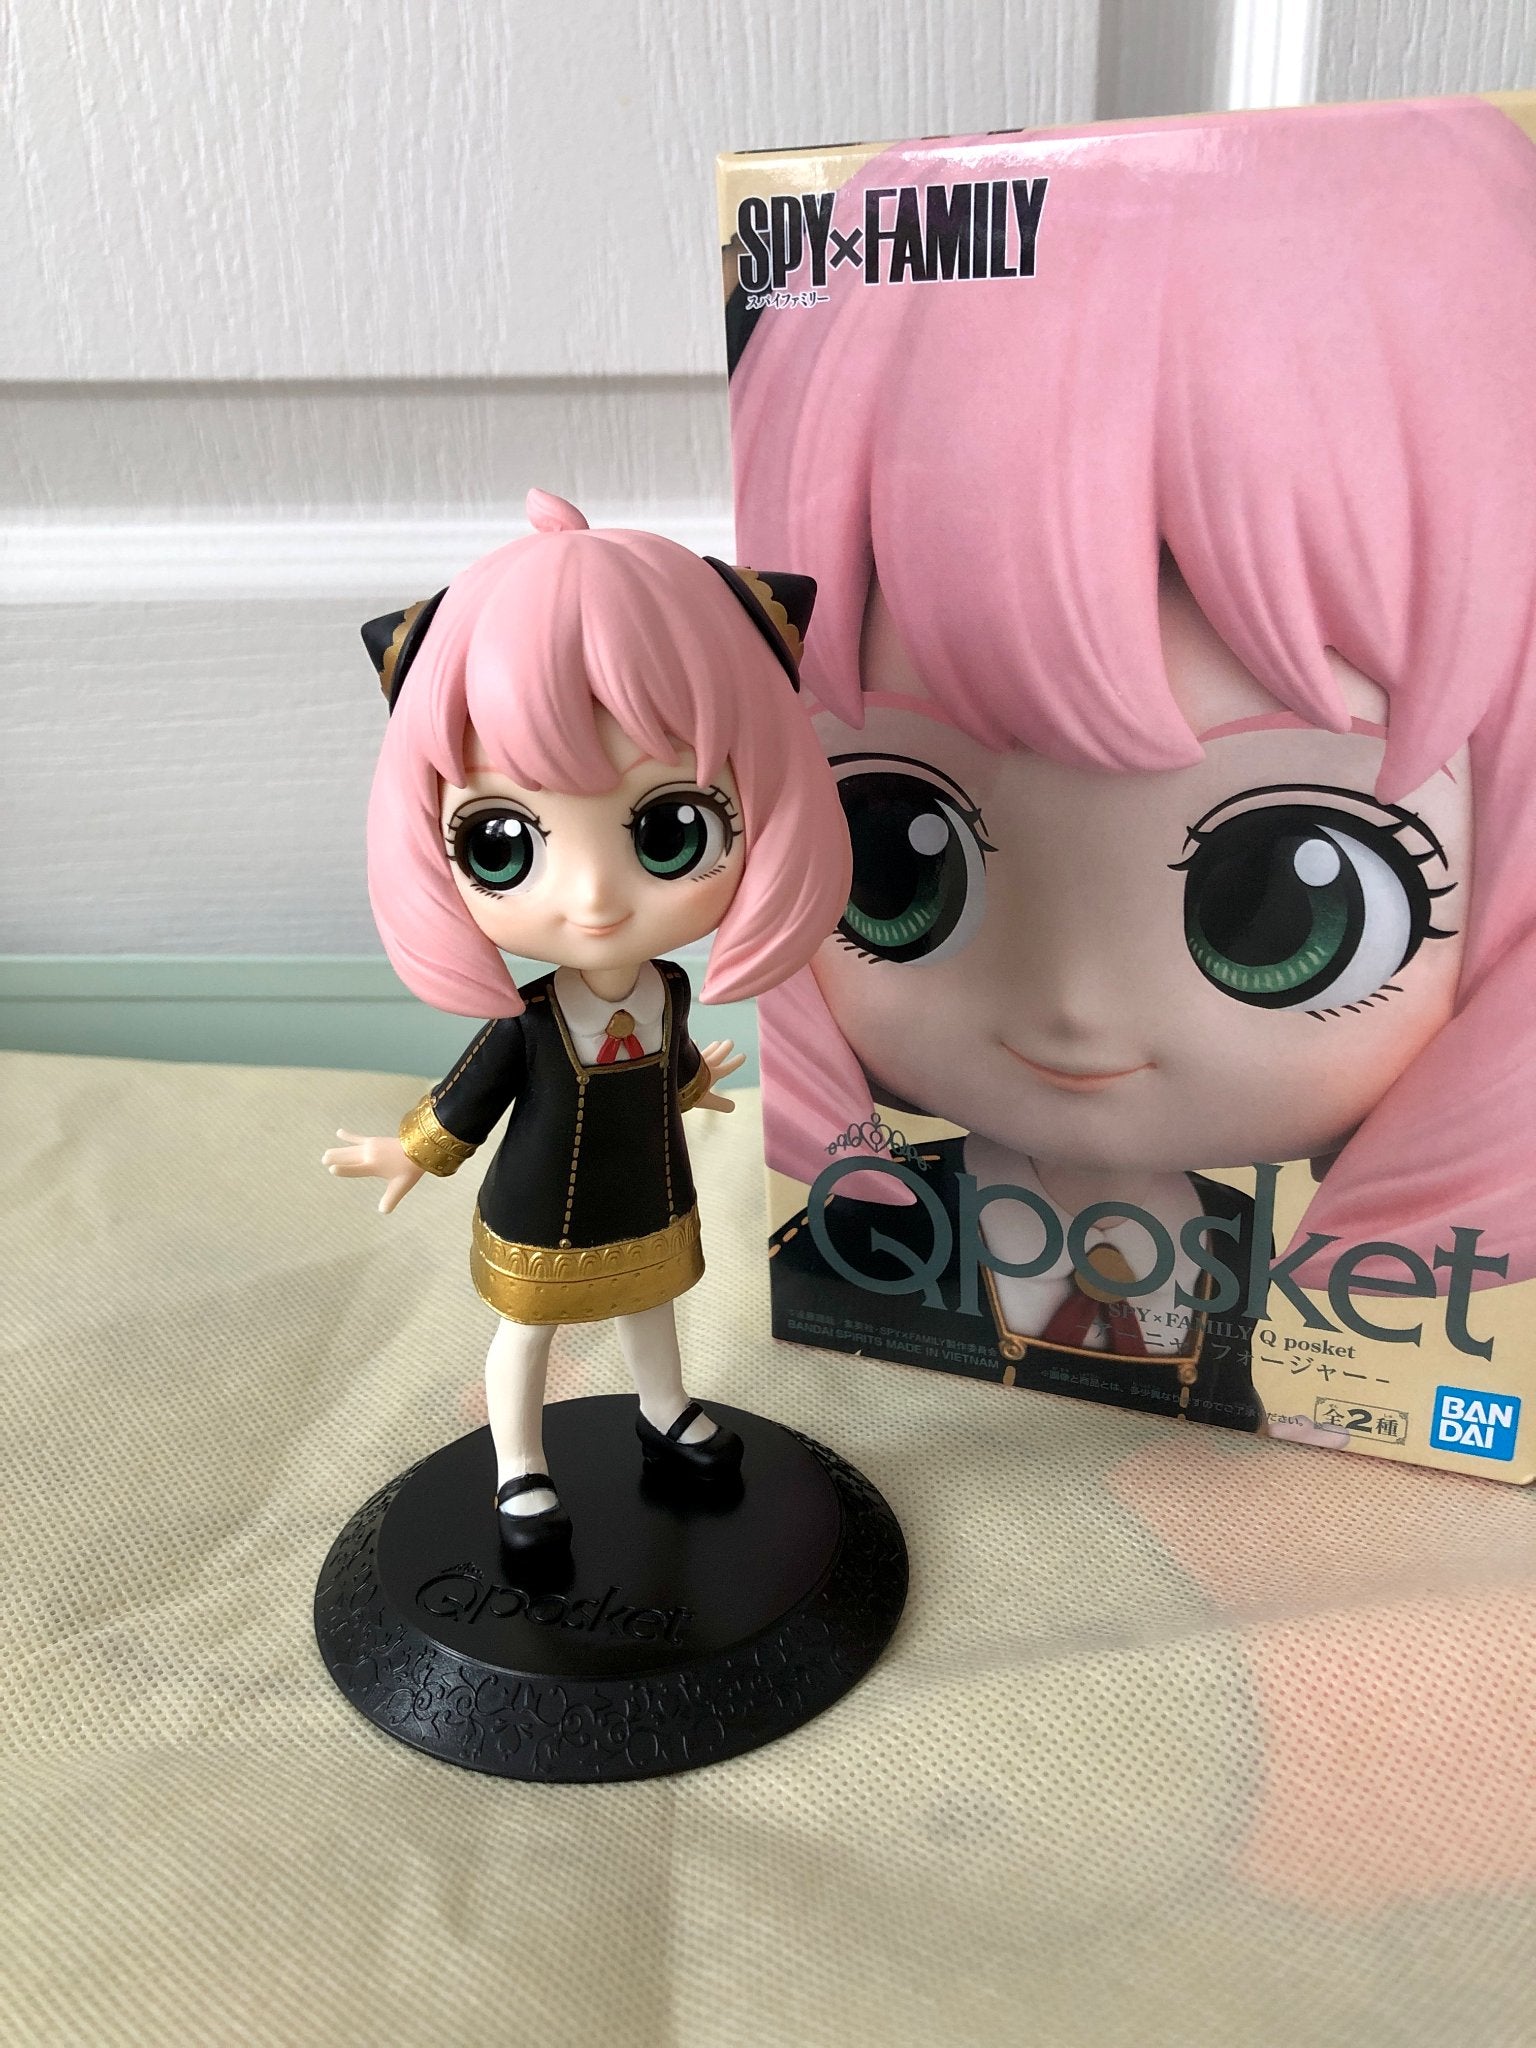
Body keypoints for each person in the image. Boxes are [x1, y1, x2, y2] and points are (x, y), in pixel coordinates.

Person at [729, 99, 1536, 1432]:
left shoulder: (1335, 1303)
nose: (1074, 1010)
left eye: (1290, 911)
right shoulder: (847, 1254)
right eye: (891, 863)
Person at [323, 489, 850, 1543]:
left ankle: (665, 1410)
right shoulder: (528, 1021)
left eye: (669, 830)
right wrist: (408, 1151)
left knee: (653, 1304)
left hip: (648, 1188)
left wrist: (696, 1082)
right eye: (503, 844)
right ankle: (520, 1466)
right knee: (527, 1335)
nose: (596, 898)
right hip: (541, 1213)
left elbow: (667, 1059)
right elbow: (470, 1099)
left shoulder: (671, 991)